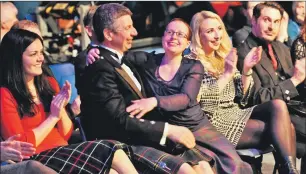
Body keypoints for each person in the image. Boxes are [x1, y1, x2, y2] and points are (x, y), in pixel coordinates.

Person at [88, 18, 253, 174]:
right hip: (171, 131)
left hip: (197, 126)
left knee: (234, 164)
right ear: (163, 36)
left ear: (187, 43)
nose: (174, 37)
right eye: (170, 32)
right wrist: (93, 50)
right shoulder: (146, 60)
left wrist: (154, 101)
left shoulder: (193, 66)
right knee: (203, 166)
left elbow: (186, 98)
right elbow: (112, 55)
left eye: (180, 34)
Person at [79, 3, 207, 174]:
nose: (135, 32)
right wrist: (168, 130)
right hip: (126, 145)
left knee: (203, 166)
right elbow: (118, 121)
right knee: (186, 171)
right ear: (109, 34)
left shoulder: (123, 58)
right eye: (128, 27)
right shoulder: (99, 67)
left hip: (148, 137)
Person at [0, 29, 138, 174]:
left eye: (41, 52)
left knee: (112, 170)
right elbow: (21, 147)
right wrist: (52, 117)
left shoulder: (48, 83)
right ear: (15, 58)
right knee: (111, 149)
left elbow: (65, 134)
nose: (40, 58)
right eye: (33, 54)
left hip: (64, 152)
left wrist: (61, 110)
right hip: (40, 158)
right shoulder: (5, 94)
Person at [187, 10, 298, 174]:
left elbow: (243, 98)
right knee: (288, 128)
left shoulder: (223, 56)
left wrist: (246, 69)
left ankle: (289, 170)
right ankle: (289, 170)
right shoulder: (191, 63)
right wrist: (226, 75)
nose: (217, 35)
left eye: (219, 29)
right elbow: (206, 106)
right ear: (197, 35)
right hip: (213, 123)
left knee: (278, 104)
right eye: (210, 31)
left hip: (236, 113)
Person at [236, 2, 306, 173]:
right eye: (267, 20)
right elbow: (256, 98)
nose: (272, 26)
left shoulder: (282, 48)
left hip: (295, 111)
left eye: (276, 22)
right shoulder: (244, 53)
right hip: (267, 115)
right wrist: (295, 81)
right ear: (253, 20)